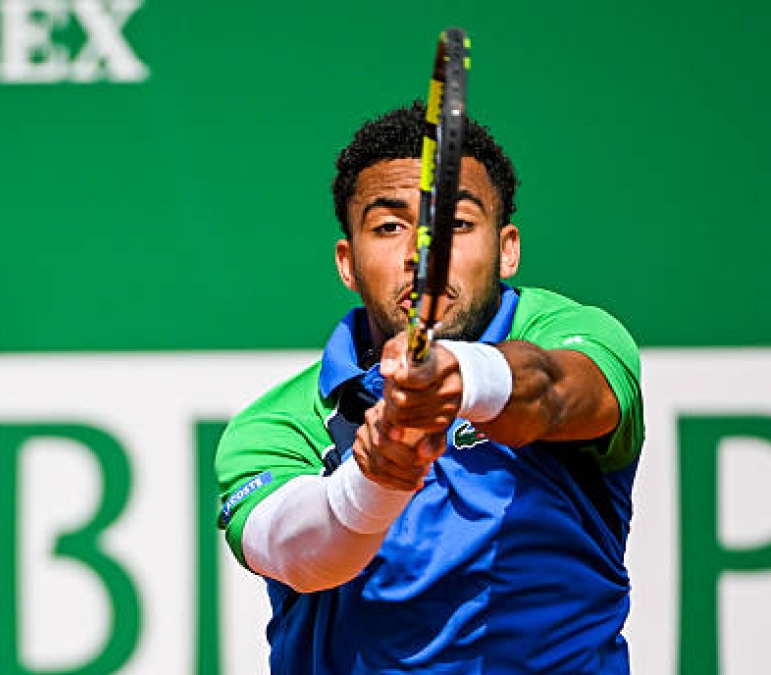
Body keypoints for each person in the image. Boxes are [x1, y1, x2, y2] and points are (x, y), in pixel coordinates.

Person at [215, 102, 644, 674]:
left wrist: (460, 376)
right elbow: (301, 555)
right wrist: (380, 473)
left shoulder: (576, 335)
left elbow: (550, 392)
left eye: (456, 225)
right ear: (348, 262)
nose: (424, 254)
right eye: (389, 227)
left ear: (507, 249)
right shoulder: (277, 425)